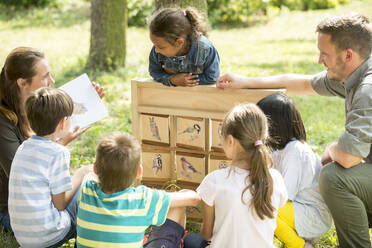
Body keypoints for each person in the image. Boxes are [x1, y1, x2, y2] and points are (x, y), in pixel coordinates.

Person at [216, 13, 372, 248]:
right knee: (335, 169)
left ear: (348, 55)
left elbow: (349, 157)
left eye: (325, 54)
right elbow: (302, 83)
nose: (320, 60)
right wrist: (244, 81)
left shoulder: (366, 89)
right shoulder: (353, 75)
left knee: (334, 176)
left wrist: (331, 148)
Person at [0, 47, 104, 232]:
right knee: (91, 188)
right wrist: (61, 144)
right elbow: (25, 171)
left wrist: (89, 98)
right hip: (16, 213)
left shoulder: (36, 108)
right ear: (22, 83)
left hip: (42, 202)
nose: (52, 81)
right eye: (45, 77)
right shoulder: (3, 123)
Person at [184, 103, 288, 248]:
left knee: (191, 240)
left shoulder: (215, 180)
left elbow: (207, 235)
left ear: (231, 141)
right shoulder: (275, 178)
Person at [76, 132, 201, 247]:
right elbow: (193, 199)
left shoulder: (86, 189)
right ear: (139, 172)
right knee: (178, 206)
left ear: (96, 168)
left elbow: (89, 173)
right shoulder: (142, 199)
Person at [8, 87, 92, 248]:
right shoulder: (58, 153)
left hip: (24, 238)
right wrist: (81, 173)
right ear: (63, 122)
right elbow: (60, 204)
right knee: (87, 182)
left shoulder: (23, 147)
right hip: (50, 236)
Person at [257, 93, 332, 248]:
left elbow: (284, 196)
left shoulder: (295, 152)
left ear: (273, 124)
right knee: (259, 204)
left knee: (261, 208)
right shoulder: (279, 148)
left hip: (312, 215)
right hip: (298, 209)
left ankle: (299, 245)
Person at [148, 7, 220, 87]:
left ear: (179, 42)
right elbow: (154, 71)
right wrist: (172, 79)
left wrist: (187, 81)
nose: (156, 50)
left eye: (160, 47)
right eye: (155, 45)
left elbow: (212, 77)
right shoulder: (159, 48)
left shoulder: (205, 48)